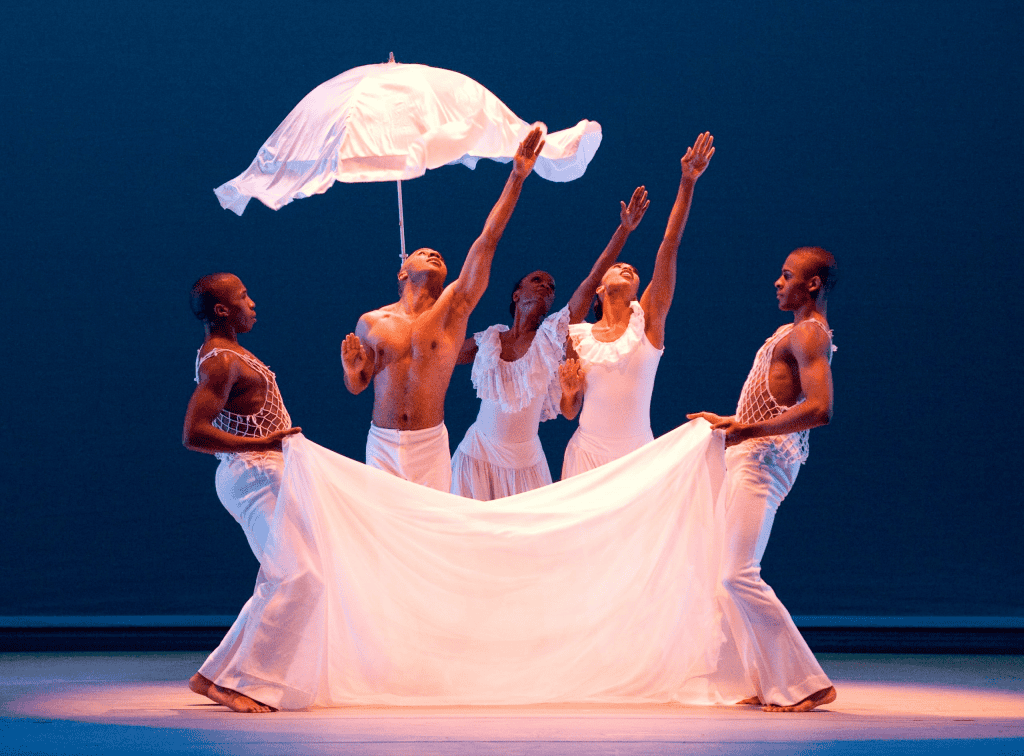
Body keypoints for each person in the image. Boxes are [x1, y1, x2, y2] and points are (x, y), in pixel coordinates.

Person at [341, 127, 545, 491]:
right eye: (422, 252)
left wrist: (516, 177)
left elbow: (488, 240)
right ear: (403, 271)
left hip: (428, 444)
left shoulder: (454, 309)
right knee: (384, 524)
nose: (433, 253)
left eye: (438, 255)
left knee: (430, 525)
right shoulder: (371, 321)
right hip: (382, 442)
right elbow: (358, 386)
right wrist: (352, 370)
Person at [687, 246, 839, 713]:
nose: (778, 281)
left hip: (763, 460)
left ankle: (806, 683)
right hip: (752, 453)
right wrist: (735, 422)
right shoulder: (791, 331)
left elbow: (819, 409)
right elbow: (773, 401)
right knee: (725, 580)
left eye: (787, 275)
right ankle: (769, 680)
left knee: (737, 575)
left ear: (812, 284)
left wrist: (748, 430)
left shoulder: (809, 333)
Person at [450, 186, 651, 499]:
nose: (546, 286)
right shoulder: (489, 340)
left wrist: (623, 230)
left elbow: (592, 281)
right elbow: (439, 356)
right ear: (517, 294)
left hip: (526, 466)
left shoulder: (550, 339)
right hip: (476, 456)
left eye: (551, 286)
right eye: (537, 281)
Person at [559, 132, 714, 478]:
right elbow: (570, 411)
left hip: (637, 459)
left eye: (633, 270)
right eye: (618, 266)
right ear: (600, 289)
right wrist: (568, 393)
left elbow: (669, 245)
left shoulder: (648, 323)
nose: (627, 267)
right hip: (585, 457)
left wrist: (687, 182)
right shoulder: (578, 336)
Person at [182, 273, 301, 713]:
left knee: (295, 573)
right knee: (294, 573)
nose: (252, 303)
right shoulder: (220, 361)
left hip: (264, 471)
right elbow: (194, 433)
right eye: (243, 297)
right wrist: (261, 444)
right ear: (222, 310)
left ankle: (221, 674)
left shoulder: (232, 354)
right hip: (253, 476)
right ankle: (223, 679)